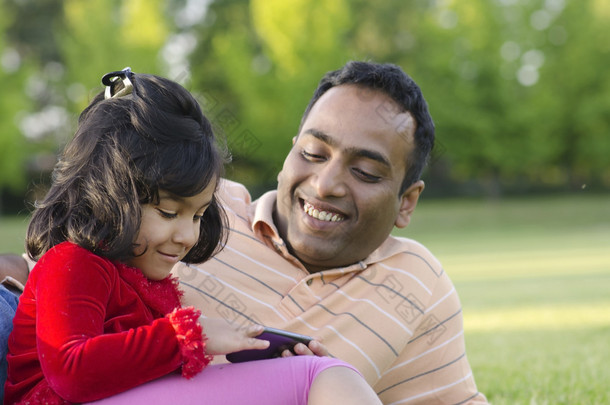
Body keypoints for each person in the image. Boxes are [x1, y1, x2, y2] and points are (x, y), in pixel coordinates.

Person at [1, 61, 487, 404]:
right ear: (290, 152)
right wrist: (190, 337)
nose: (325, 184)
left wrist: (256, 362)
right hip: (65, 376)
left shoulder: (417, 282)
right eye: (313, 154)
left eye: (364, 171)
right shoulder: (209, 203)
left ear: (407, 201)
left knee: (320, 376)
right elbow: (55, 290)